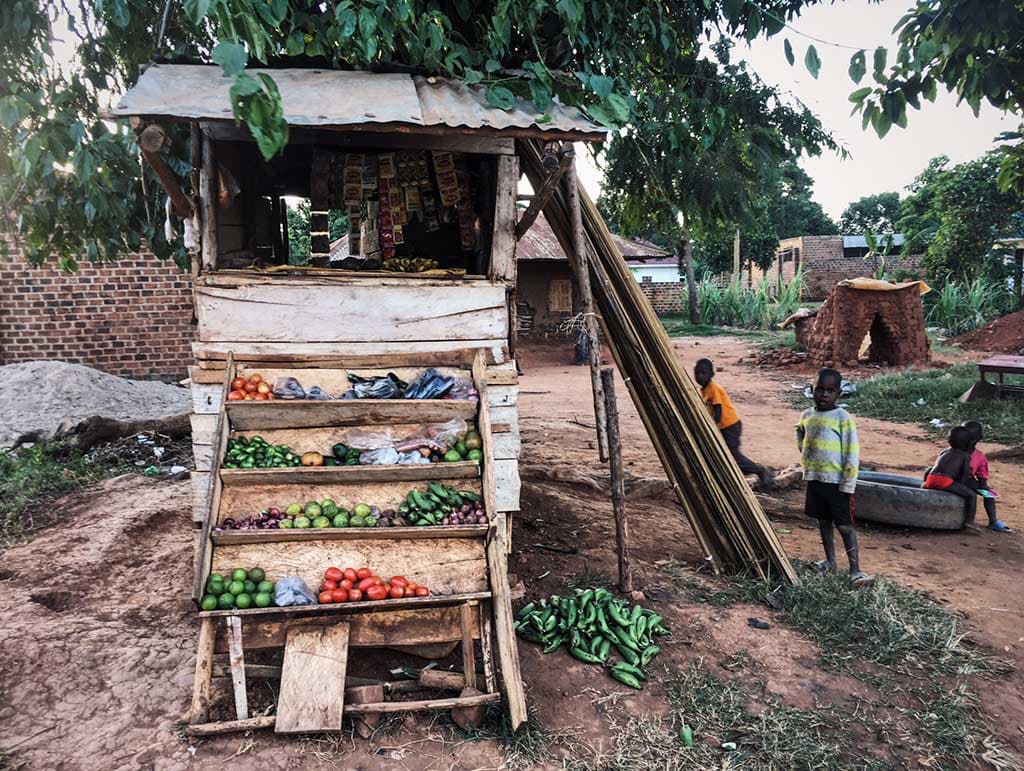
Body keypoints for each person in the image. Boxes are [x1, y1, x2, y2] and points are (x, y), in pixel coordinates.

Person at [796, 368, 872, 587]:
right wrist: (805, 455)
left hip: (837, 483)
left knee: (845, 526)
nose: (824, 395)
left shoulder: (842, 418)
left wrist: (848, 483)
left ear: (839, 393)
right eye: (820, 389)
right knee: (823, 521)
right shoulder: (807, 415)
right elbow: (800, 432)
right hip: (816, 479)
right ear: (812, 390)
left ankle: (855, 570)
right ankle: (830, 561)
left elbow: (851, 452)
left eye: (830, 390)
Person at [694, 358, 773, 490]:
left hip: (730, 426)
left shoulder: (714, 388)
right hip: (724, 427)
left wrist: (713, 426)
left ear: (711, 375)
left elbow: (718, 408)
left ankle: (760, 471)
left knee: (732, 454)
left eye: (703, 373)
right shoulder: (704, 389)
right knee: (726, 453)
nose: (700, 376)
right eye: (697, 373)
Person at [922, 426, 978, 527]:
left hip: (930, 478)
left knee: (930, 472)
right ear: (969, 444)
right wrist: (961, 486)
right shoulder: (965, 456)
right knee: (971, 495)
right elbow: (964, 475)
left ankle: (923, 487)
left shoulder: (944, 451)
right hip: (945, 481)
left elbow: (935, 467)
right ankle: (970, 521)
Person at [962, 420, 1011, 532]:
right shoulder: (953, 451)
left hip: (968, 481)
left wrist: (983, 484)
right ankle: (969, 520)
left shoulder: (979, 456)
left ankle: (993, 521)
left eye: (972, 438)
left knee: (988, 494)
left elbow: (982, 471)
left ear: (979, 438)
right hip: (953, 478)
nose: (969, 440)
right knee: (971, 495)